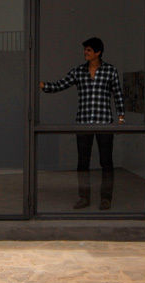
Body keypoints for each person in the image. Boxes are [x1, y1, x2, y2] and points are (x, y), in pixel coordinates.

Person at [39, 36, 125, 210]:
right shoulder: (78, 71)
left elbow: (118, 94)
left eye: (89, 50)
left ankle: (106, 198)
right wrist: (43, 86)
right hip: (83, 123)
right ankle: (83, 197)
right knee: (82, 162)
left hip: (104, 123)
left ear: (98, 52)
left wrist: (121, 117)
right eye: (85, 50)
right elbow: (60, 84)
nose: (85, 53)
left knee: (106, 162)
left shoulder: (110, 71)